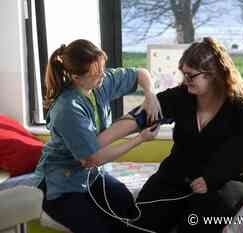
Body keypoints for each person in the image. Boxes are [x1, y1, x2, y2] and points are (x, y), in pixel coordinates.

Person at [104, 37, 243, 233]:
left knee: (195, 224)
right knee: (141, 221)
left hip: (225, 178)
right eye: (183, 74)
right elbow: (139, 116)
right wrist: (99, 142)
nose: (185, 80)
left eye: (191, 76)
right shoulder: (181, 96)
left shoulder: (239, 107)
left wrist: (212, 178)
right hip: (178, 173)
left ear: (212, 75)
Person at [33, 39, 162, 233]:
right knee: (101, 228)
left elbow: (140, 74)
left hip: (91, 177)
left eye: (103, 68)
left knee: (126, 203)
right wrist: (139, 139)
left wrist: (150, 94)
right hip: (61, 185)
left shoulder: (98, 84)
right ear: (76, 77)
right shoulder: (67, 109)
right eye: (96, 73)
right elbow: (92, 159)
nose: (103, 75)